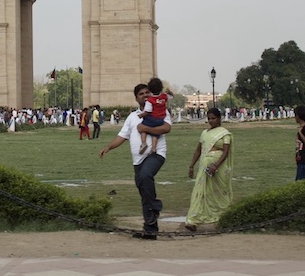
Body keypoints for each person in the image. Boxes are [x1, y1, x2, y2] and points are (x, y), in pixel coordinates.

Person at [99, 83, 172, 240]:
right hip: (137, 160)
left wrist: (145, 129)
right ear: (136, 98)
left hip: (156, 154)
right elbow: (122, 136)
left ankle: (156, 207)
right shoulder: (133, 117)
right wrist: (108, 147)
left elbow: (166, 128)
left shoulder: (160, 110)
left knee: (146, 176)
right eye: (141, 94)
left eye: (147, 92)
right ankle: (150, 229)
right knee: (144, 191)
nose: (145, 95)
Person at [185, 107, 232, 231]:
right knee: (200, 192)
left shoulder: (224, 134)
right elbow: (198, 150)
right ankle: (193, 220)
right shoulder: (205, 133)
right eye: (209, 119)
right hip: (204, 166)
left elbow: (226, 152)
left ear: (219, 118)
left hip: (219, 167)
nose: (211, 121)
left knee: (220, 193)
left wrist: (216, 165)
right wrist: (191, 165)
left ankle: (221, 219)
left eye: (213, 118)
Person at [137, 77, 170, 155]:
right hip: (161, 119)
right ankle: (154, 148)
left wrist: (141, 115)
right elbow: (170, 96)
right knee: (155, 134)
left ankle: (143, 143)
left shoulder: (150, 100)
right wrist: (170, 92)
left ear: (150, 90)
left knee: (142, 128)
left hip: (152, 118)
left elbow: (148, 111)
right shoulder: (164, 97)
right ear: (161, 88)